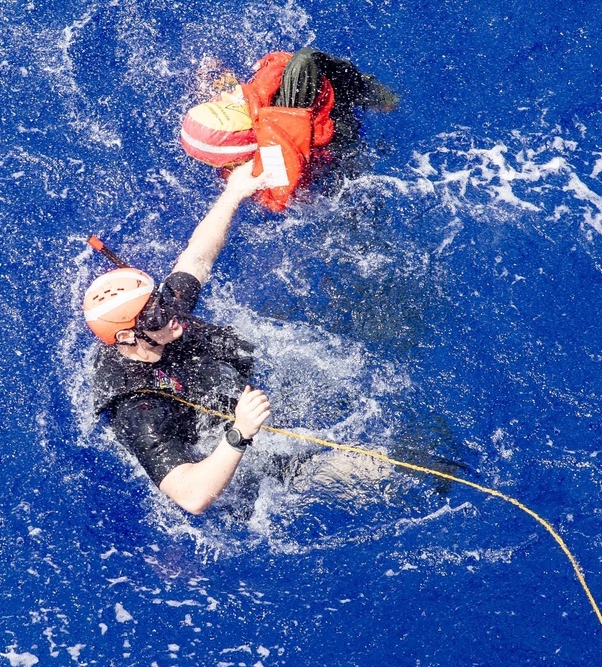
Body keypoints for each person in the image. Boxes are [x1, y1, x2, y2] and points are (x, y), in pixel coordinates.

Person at [82, 162, 271, 515]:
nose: (169, 312)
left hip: (235, 389)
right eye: (155, 313)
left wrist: (233, 193)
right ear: (126, 335)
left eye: (161, 299)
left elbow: (197, 257)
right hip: (225, 448)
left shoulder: (163, 317)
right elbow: (191, 496)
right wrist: (240, 433)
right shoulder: (138, 408)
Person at [180, 48, 398, 211]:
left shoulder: (239, 172)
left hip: (316, 176)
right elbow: (305, 60)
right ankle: (379, 97)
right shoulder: (279, 121)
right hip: (336, 139)